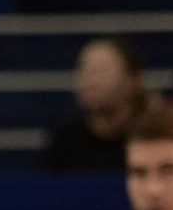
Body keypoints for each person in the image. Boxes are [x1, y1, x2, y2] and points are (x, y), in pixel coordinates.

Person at [41, 36, 149, 173]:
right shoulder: (63, 144)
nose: (90, 79)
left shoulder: (153, 141)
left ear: (134, 80)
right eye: (83, 68)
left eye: (102, 70)